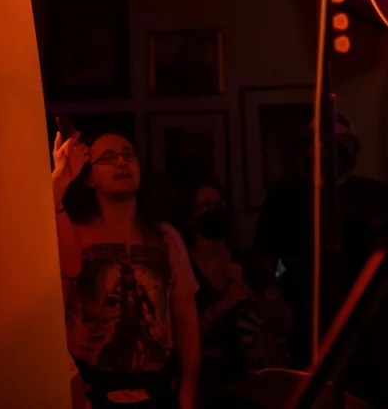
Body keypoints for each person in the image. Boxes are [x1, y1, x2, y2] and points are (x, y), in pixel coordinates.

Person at [60, 132, 200, 409]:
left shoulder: (165, 237)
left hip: (158, 388)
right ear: (89, 178)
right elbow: (56, 317)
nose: (122, 162)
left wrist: (188, 390)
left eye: (128, 154)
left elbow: (185, 317)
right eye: (108, 158)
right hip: (92, 387)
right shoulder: (73, 235)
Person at [253, 112, 388, 394]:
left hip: (368, 329)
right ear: (308, 149)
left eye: (344, 140)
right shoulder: (285, 197)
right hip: (306, 326)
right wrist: (273, 300)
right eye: (326, 140)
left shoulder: (377, 196)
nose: (336, 147)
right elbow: (261, 259)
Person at [184, 182, 289, 403]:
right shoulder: (182, 266)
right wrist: (223, 304)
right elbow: (180, 336)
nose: (214, 210)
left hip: (252, 385)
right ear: (191, 217)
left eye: (219, 203)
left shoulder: (249, 262)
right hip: (205, 384)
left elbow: (285, 320)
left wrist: (251, 294)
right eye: (206, 205)